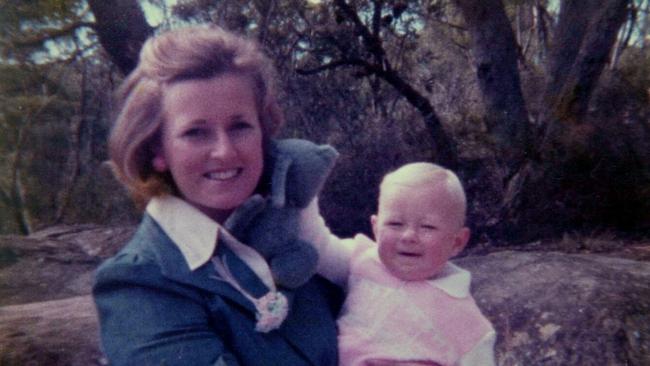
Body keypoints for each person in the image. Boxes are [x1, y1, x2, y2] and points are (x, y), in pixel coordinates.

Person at [93, 25, 351, 366]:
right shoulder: (138, 284)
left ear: (263, 131)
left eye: (240, 126)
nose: (225, 152)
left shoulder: (292, 227)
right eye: (196, 133)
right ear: (157, 149)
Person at [336, 162, 496, 366]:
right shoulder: (359, 259)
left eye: (427, 227)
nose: (409, 236)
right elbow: (314, 241)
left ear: (457, 242)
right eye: (395, 224)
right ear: (375, 229)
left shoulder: (464, 319)